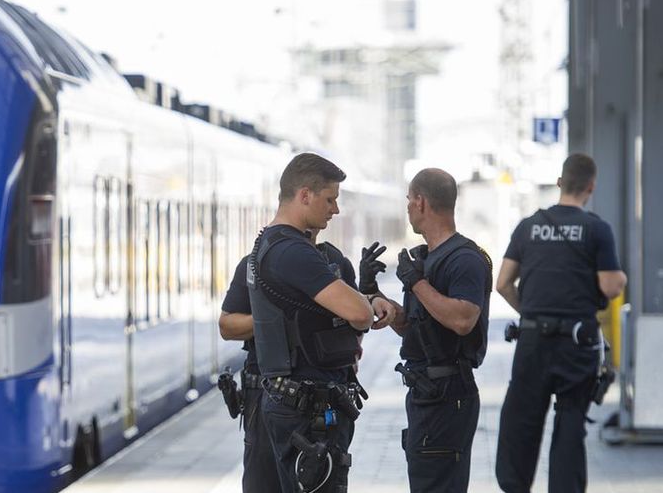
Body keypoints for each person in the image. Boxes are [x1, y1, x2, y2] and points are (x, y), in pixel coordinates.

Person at [248, 152, 394, 493]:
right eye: (330, 199)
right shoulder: (293, 252)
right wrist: (365, 304)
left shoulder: (269, 245)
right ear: (304, 195)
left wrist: (365, 298)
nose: (336, 209)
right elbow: (359, 315)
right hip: (307, 411)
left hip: (294, 401)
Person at [494, 153, 627, 493]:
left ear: (559, 183)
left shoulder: (528, 226)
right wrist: (621, 278)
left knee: (522, 425)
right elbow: (610, 286)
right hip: (576, 345)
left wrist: (531, 313)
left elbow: (503, 283)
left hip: (532, 343)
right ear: (590, 187)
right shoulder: (596, 229)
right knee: (570, 425)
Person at [367, 168, 492, 493]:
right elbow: (416, 328)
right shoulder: (428, 259)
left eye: (409, 200)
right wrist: (376, 296)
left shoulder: (464, 259)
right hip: (427, 393)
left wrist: (417, 283)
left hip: (448, 396)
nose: (407, 207)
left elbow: (463, 320)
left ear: (420, 202)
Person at [218, 230, 363, 493]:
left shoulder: (336, 264)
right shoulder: (256, 265)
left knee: (318, 480)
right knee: (263, 484)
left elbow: (357, 322)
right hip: (264, 393)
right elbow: (227, 325)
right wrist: (276, 318)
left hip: (322, 398)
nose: (333, 211)